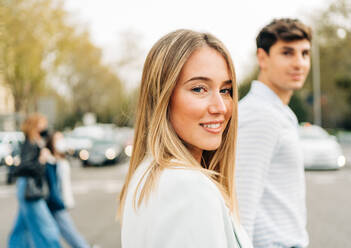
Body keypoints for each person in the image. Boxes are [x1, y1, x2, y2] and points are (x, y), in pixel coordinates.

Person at [118, 29, 252, 248]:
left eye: (226, 90)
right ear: (161, 96)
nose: (220, 107)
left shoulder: (147, 177)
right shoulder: (190, 188)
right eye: (199, 89)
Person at [236, 18, 312, 248]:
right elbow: (241, 204)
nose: (299, 63)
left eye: (305, 53)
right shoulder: (260, 116)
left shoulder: (276, 112)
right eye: (287, 53)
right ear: (263, 57)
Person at [8, 113, 61, 248]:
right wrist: (42, 160)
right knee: (47, 227)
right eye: (42, 123)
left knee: (22, 229)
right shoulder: (30, 143)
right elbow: (24, 167)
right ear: (35, 126)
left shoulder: (35, 141)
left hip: (27, 187)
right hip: (30, 188)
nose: (45, 126)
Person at [45, 131, 90, 248]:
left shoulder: (62, 159)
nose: (61, 141)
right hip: (56, 202)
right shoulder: (50, 161)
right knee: (68, 231)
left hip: (62, 201)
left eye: (62, 138)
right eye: (57, 139)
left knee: (56, 231)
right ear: (51, 143)